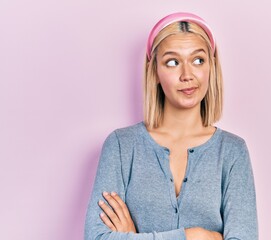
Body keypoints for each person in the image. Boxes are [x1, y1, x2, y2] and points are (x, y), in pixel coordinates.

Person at [85, 12, 258, 240]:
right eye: (172, 62)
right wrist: (196, 236)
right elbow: (96, 237)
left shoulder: (232, 151)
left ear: (211, 67)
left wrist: (133, 237)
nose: (187, 75)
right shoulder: (121, 146)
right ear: (155, 71)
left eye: (198, 60)